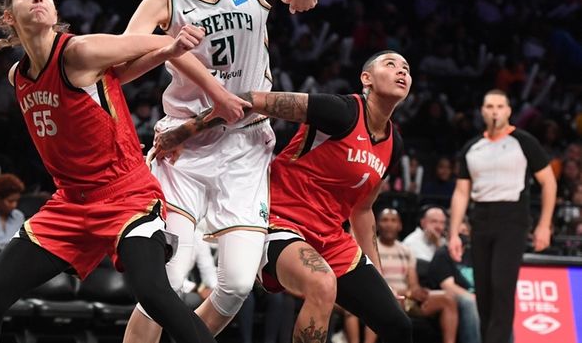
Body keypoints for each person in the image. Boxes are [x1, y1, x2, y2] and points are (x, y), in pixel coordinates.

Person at [0, 0, 216, 343]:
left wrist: (172, 49)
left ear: (54, 12)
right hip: (70, 202)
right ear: (9, 18)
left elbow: (153, 42)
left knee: (154, 295)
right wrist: (163, 52)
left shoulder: (78, 51)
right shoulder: (17, 75)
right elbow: (118, 76)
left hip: (125, 194)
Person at [124, 0, 337, 340]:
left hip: (246, 143)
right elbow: (122, 67)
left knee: (238, 283)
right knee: (166, 279)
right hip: (185, 145)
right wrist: (166, 47)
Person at [153, 51, 413, 342]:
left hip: (331, 238)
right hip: (279, 222)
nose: (401, 71)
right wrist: (184, 132)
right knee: (321, 284)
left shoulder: (394, 144)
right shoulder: (341, 111)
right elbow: (250, 100)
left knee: (398, 325)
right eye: (391, 65)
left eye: (406, 68)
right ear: (366, 78)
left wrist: (378, 276)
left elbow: (363, 210)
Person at [448, 89, 556, 343]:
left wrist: (544, 225)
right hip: (480, 219)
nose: (494, 111)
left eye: (499, 106)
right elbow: (461, 193)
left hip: (512, 219)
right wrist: (453, 232)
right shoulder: (472, 148)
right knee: (483, 292)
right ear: (482, 111)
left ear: (508, 111)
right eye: (489, 106)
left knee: (501, 287)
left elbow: (549, 183)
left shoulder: (524, 141)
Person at [351, 208, 457, 343]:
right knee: (384, 302)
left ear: (400, 225)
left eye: (393, 220)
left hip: (406, 298)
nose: (389, 224)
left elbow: (413, 285)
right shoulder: (369, 248)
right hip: (381, 294)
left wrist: (419, 292)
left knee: (448, 299)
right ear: (376, 225)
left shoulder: (406, 250)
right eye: (385, 220)